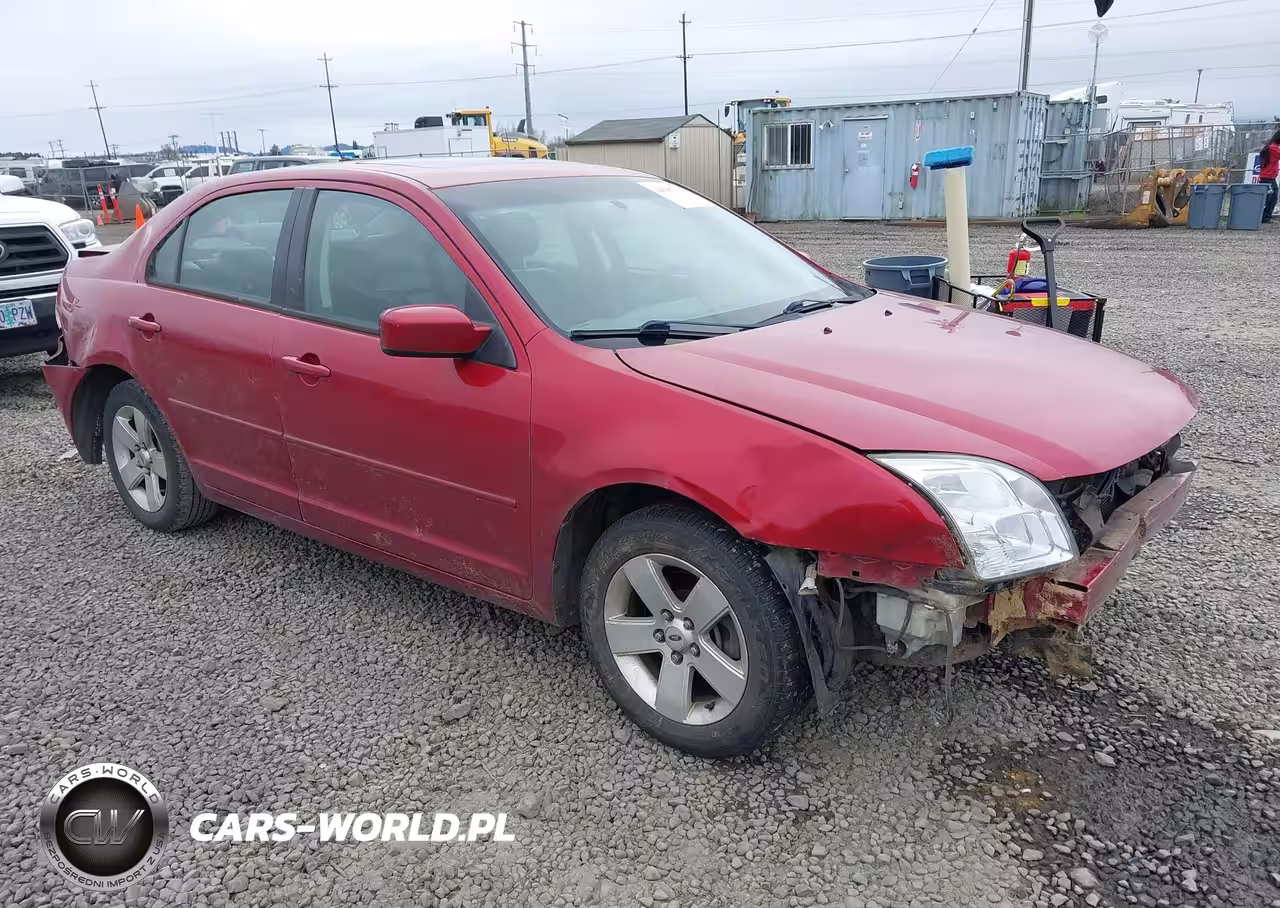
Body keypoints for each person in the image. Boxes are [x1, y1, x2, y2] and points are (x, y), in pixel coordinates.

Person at [1261, 128, 1280, 224]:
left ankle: (1265, 217)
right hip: (1268, 177)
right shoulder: (1273, 147)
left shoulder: (1271, 146)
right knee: (1269, 198)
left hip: (1269, 176)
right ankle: (1264, 217)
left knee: (1272, 198)